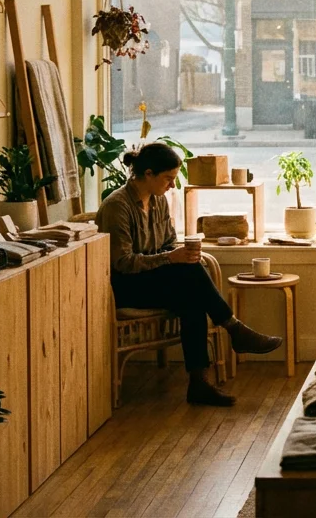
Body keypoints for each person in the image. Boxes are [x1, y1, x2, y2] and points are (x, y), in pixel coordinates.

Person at [96, 142, 282, 406]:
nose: (172, 185)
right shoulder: (118, 206)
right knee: (191, 277)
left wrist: (179, 254)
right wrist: (170, 258)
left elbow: (169, 241)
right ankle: (234, 329)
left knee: (192, 297)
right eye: (168, 179)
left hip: (158, 279)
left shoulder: (159, 202)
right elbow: (122, 263)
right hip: (128, 285)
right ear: (148, 174)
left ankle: (199, 383)